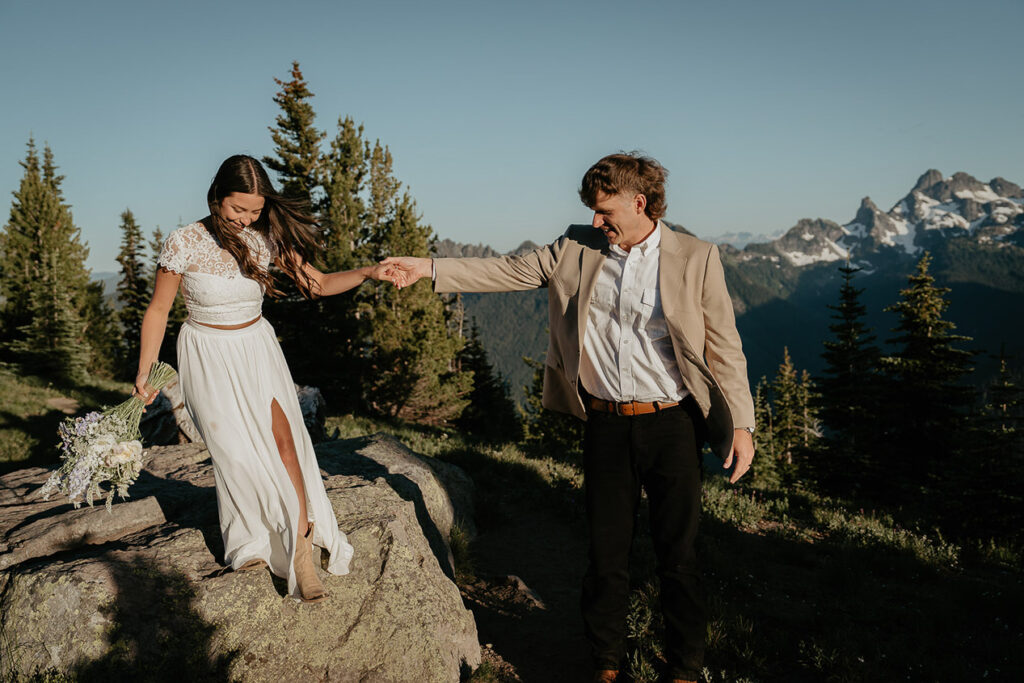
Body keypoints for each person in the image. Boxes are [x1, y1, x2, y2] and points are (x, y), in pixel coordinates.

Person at [383, 152, 755, 682]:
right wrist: (427, 268)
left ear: (639, 202)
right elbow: (504, 271)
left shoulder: (695, 257)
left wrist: (741, 424)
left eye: (605, 211)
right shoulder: (575, 247)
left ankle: (685, 668)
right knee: (606, 553)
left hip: (673, 424)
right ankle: (605, 662)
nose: (597, 222)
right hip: (605, 423)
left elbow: (724, 347)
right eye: (592, 211)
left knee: (680, 555)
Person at [135, 154, 395, 603]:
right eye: (238, 209)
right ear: (216, 197)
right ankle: (250, 540)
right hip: (206, 354)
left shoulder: (266, 237)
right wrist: (145, 368)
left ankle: (301, 548)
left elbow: (317, 284)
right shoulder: (184, 242)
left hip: (257, 349)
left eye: (254, 211)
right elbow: (158, 309)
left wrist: (369, 272)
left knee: (284, 442)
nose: (246, 219)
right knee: (233, 454)